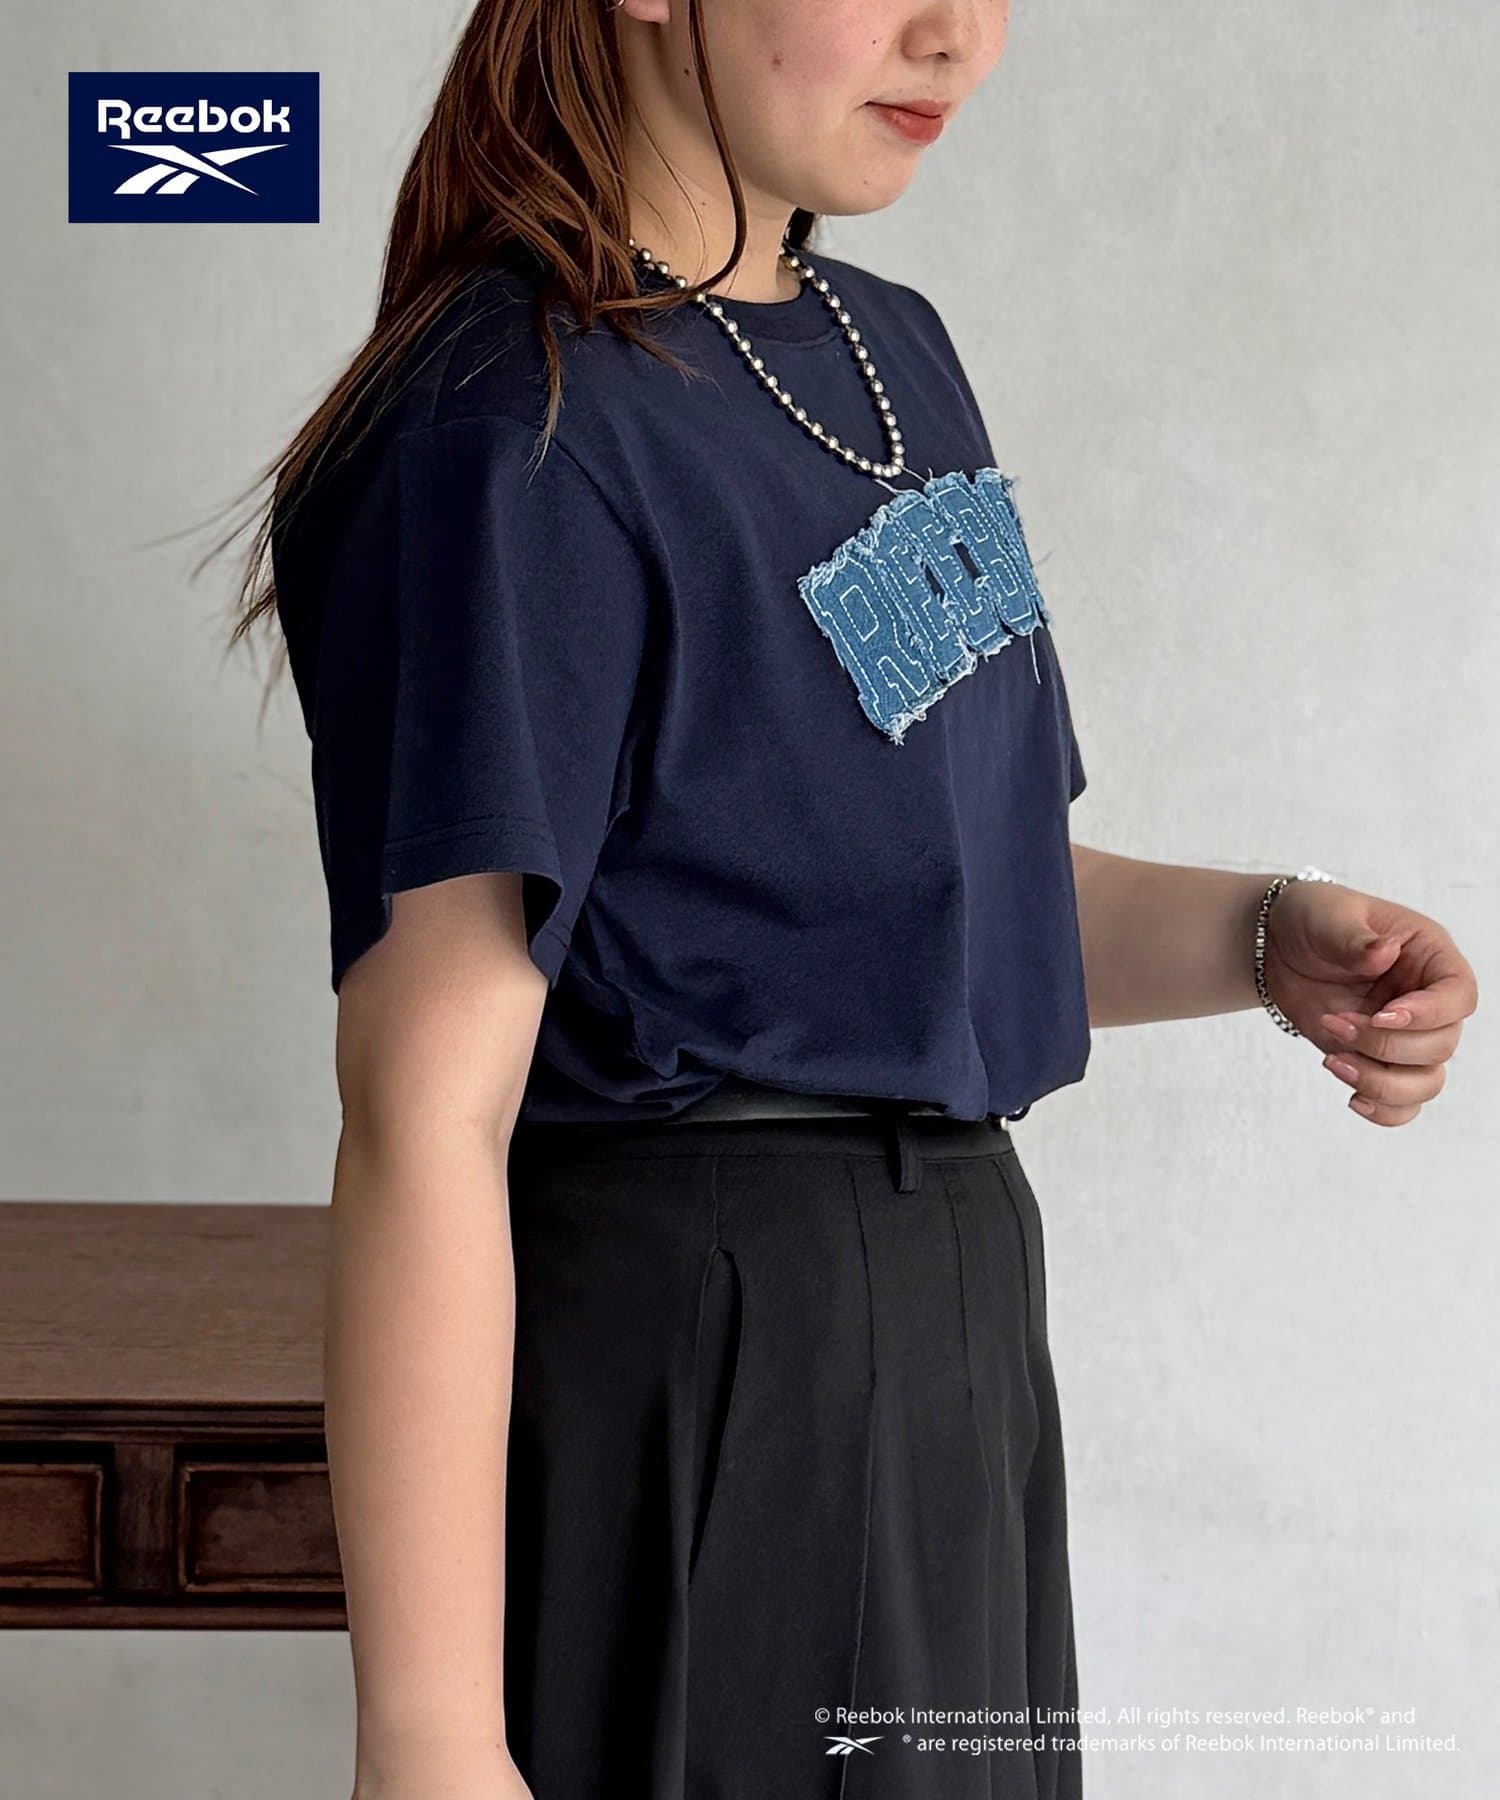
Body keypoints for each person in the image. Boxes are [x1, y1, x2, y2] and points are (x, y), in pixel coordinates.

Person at [226, 2, 1478, 1796]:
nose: (956, 37)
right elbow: (425, 1108)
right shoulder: (512, 422)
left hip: (955, 1319)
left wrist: (1269, 939)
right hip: (706, 1359)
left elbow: (925, 890)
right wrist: (427, 1742)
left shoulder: (890, 352)